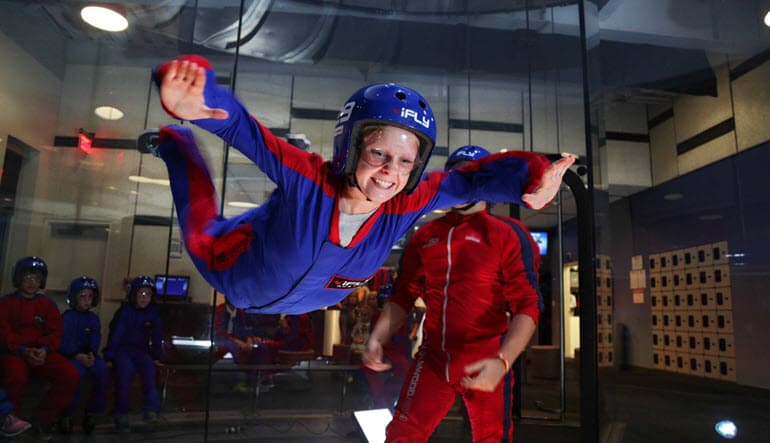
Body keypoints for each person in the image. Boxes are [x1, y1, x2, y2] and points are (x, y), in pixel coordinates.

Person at [145, 55, 574, 314]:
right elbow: (250, 135)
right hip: (237, 272)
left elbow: (470, 182)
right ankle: (175, 143)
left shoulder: (406, 203)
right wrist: (201, 102)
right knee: (201, 226)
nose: (390, 172)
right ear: (349, 149)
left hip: (300, 302)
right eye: (378, 154)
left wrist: (530, 179)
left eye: (406, 161)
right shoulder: (312, 179)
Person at [363, 146, 543, 443]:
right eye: (459, 176)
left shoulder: (508, 233)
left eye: (474, 175)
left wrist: (503, 361)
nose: (465, 183)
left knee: (492, 438)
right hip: (433, 359)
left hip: (485, 356)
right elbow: (403, 294)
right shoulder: (424, 236)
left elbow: (529, 305)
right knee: (401, 435)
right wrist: (377, 338)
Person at [0, 256, 80, 440]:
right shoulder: (6, 303)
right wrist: (22, 350)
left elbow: (55, 332)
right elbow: (3, 333)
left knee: (70, 374)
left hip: (40, 353)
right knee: (15, 376)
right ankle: (12, 422)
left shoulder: (47, 304)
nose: (31, 282)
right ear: (18, 279)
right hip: (14, 352)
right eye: (27, 277)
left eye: (35, 278)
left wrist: (44, 349)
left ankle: (42, 419)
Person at [103, 276, 164, 432]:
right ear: (133, 295)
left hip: (140, 351)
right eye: (141, 294)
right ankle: (121, 414)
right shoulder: (125, 312)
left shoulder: (152, 314)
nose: (144, 298)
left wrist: (157, 357)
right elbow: (115, 335)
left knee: (150, 370)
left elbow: (157, 337)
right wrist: (109, 356)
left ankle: (150, 410)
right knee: (125, 374)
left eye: (148, 295)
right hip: (122, 350)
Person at [58, 276, 110, 434]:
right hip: (71, 356)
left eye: (90, 296)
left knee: (103, 371)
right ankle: (66, 414)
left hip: (88, 356)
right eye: (82, 296)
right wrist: (77, 355)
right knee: (74, 376)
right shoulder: (67, 317)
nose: (87, 300)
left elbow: (96, 338)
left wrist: (92, 354)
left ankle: (92, 412)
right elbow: (63, 341)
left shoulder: (93, 318)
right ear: (74, 297)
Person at [213, 298, 265, 391]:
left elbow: (244, 329)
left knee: (259, 347)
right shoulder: (220, 310)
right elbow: (220, 331)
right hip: (222, 338)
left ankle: (254, 379)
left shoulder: (240, 312)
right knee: (234, 346)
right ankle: (240, 378)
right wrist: (238, 341)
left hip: (235, 338)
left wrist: (249, 338)